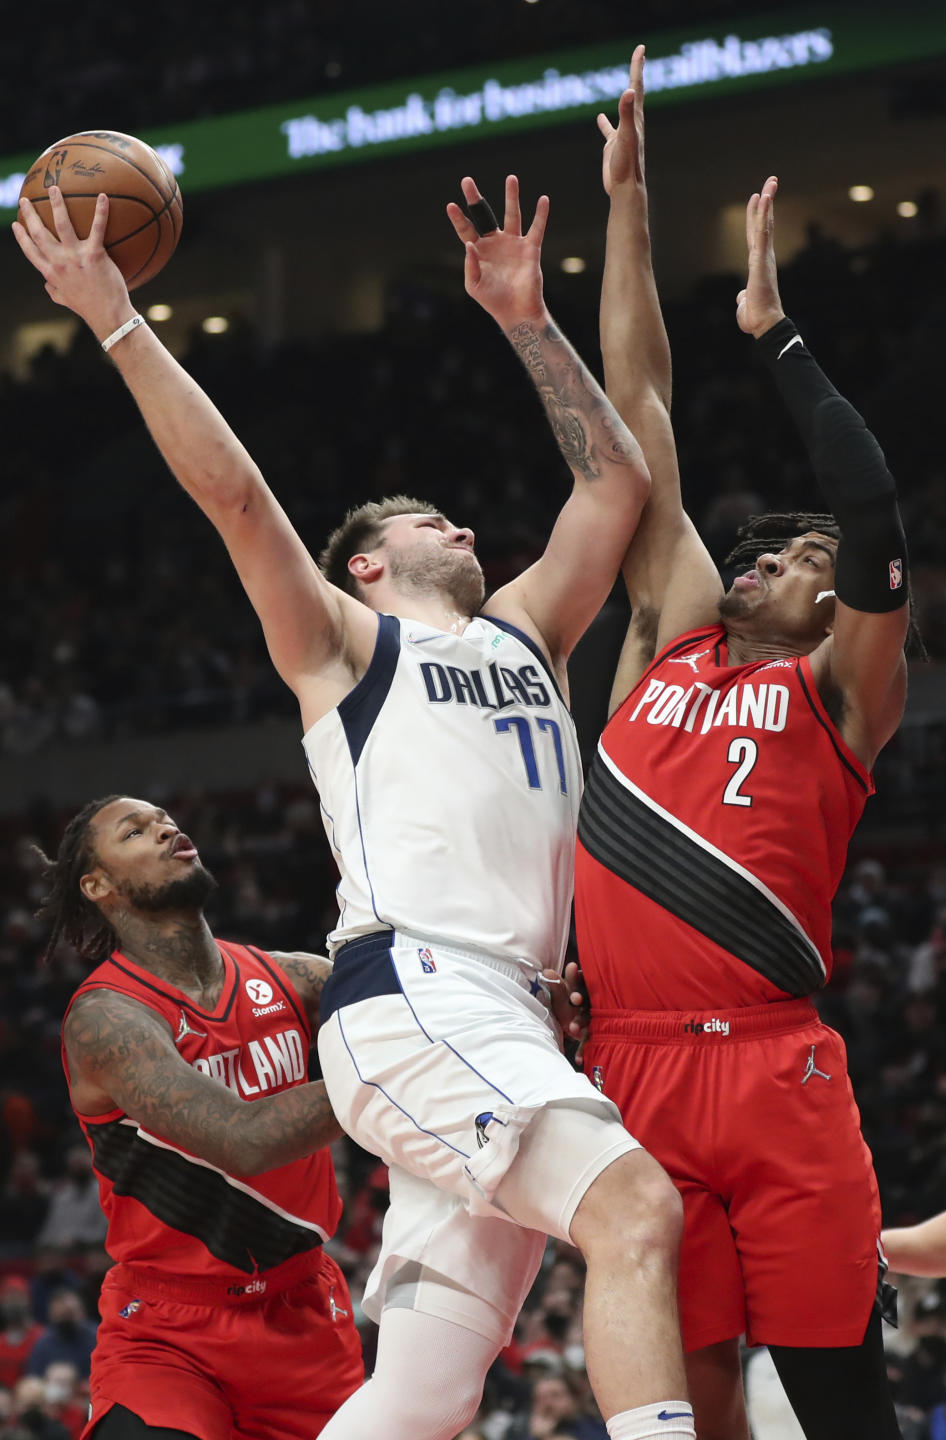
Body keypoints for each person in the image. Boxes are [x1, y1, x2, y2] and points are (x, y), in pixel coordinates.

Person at [14, 155, 694, 1440]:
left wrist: (527, 323)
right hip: (420, 997)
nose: (465, 530)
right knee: (636, 1212)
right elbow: (235, 496)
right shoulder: (343, 647)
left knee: (425, 1394)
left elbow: (614, 488)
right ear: (372, 562)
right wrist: (114, 317)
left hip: (509, 1015)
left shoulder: (525, 636)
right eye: (433, 521)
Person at [575, 45, 910, 1440]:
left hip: (777, 1066)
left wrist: (775, 334)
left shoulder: (845, 689)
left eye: (795, 550)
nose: (764, 555)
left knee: (839, 1398)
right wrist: (631, 199)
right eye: (760, 549)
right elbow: (634, 403)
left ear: (832, 595)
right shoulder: (675, 634)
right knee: (697, 1389)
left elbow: (878, 509)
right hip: (636, 1065)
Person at [33, 793, 364, 1439]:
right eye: (136, 831)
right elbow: (244, 1139)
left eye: (167, 821)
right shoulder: (109, 1018)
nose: (165, 829)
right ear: (97, 884)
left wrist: (538, 1004)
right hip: (171, 1334)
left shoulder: (297, 979)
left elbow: (436, 1020)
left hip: (305, 1318)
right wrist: (398, 1070)